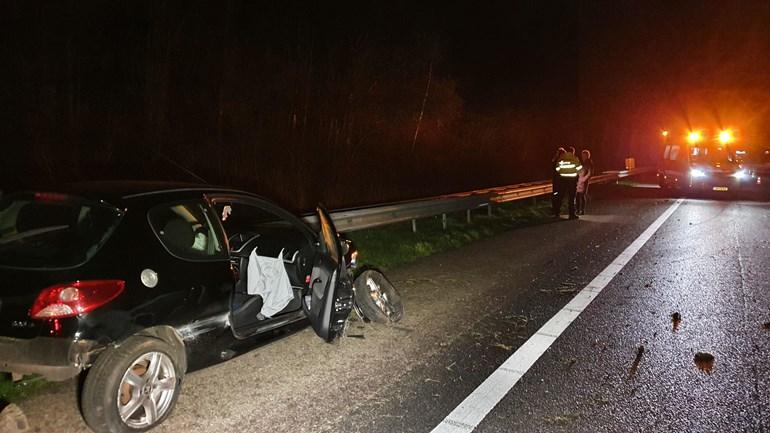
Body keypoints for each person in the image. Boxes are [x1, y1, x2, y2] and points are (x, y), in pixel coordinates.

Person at [555, 146, 582, 219]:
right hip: (572, 180)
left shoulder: (561, 158)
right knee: (571, 197)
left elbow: (557, 168)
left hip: (563, 179)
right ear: (573, 151)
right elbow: (579, 169)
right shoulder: (575, 158)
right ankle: (571, 214)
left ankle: (557, 213)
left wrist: (562, 172)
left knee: (560, 196)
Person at [576, 149, 594, 215]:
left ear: (587, 156)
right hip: (580, 181)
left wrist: (585, 179)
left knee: (582, 195)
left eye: (584, 155)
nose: (583, 156)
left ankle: (582, 210)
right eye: (582, 155)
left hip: (585, 181)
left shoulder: (589, 162)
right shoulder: (583, 163)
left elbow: (590, 172)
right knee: (578, 195)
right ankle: (578, 210)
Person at [551, 147, 566, 217]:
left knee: (557, 196)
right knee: (558, 197)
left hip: (557, 182)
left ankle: (556, 211)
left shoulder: (556, 160)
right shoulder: (560, 161)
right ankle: (557, 211)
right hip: (559, 183)